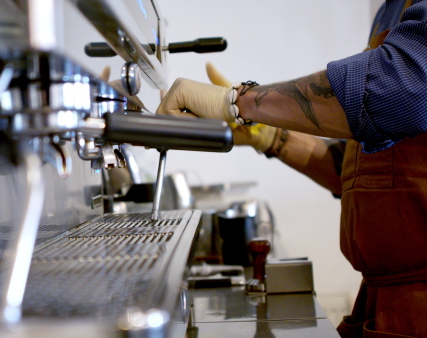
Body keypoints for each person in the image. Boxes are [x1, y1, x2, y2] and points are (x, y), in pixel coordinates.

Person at [156, 1, 427, 337]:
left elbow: (399, 89)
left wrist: (237, 102)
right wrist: (270, 136)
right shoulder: (392, 9)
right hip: (383, 300)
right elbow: (366, 172)